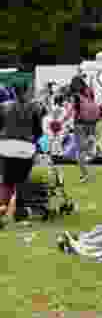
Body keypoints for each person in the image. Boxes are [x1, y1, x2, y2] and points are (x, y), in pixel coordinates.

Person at [0, 83, 43, 225]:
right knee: (22, 182)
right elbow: (38, 131)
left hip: (6, 147)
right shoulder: (35, 107)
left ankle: (2, 210)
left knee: (7, 182)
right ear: (27, 91)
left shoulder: (4, 107)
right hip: (26, 147)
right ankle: (19, 213)